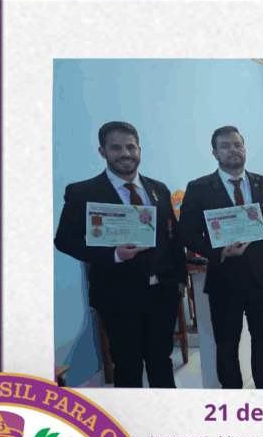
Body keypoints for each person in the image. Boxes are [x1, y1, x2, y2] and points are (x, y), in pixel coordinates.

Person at [55, 121, 186, 388]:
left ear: (139, 150)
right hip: (117, 296)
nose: (125, 153)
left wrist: (180, 280)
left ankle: (168, 411)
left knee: (162, 362)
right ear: (102, 151)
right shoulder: (83, 192)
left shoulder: (158, 189)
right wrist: (113, 255)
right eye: (116, 148)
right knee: (127, 367)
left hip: (162, 294)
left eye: (130, 147)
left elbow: (173, 238)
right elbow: (65, 241)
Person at [178, 126, 263, 389]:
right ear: (215, 153)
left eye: (238, 144)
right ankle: (233, 398)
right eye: (225, 146)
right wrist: (218, 251)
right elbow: (186, 234)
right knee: (227, 345)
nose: (233, 150)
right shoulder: (199, 188)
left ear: (245, 148)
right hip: (224, 280)